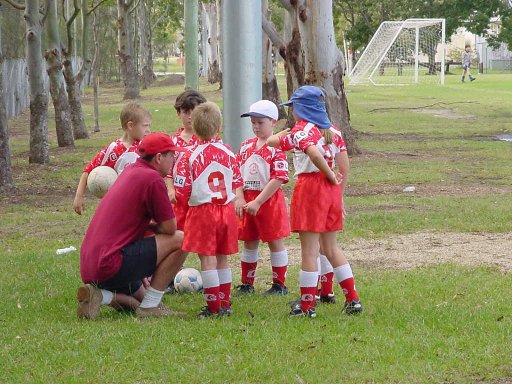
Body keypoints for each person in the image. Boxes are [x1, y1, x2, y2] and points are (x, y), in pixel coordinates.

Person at [267, 85, 362, 318]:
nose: (292, 113)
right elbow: (344, 166)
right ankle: (353, 299)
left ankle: (308, 305)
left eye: (293, 108)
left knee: (309, 251)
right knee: (330, 247)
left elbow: (274, 142)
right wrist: (339, 193)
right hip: (331, 192)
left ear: (301, 109)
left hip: (311, 188)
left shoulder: (300, 131)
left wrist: (281, 135)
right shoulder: (334, 131)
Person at [77, 133, 187, 319]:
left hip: (91, 266)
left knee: (139, 302)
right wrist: (153, 227)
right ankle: (151, 307)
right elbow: (170, 229)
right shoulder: (152, 179)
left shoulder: (130, 171)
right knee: (183, 240)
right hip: (111, 263)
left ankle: (101, 296)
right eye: (171, 156)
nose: (173, 161)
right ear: (159, 158)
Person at [174, 102, 243, 318]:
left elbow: (183, 189)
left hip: (203, 211)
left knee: (207, 259)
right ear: (218, 128)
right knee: (222, 257)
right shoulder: (229, 152)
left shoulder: (189, 155)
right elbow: (237, 180)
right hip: (226, 210)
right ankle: (225, 303)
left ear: (193, 128)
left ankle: (214, 308)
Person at [236, 100, 290, 296]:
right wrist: (240, 197)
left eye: (261, 122)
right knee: (249, 241)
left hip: (268, 200)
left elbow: (279, 177)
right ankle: (246, 283)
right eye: (253, 123)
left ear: (273, 122)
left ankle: (279, 284)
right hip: (247, 199)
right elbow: (237, 175)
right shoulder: (245, 146)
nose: (256, 127)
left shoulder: (277, 147)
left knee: (275, 241)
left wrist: (259, 201)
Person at [73, 102, 151, 215]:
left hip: (144, 202)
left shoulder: (147, 145)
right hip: (120, 206)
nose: (149, 130)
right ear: (130, 125)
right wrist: (79, 197)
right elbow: (88, 171)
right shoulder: (114, 149)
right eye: (145, 126)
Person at [166, 90, 207, 231]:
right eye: (186, 112)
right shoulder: (172, 142)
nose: (190, 117)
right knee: (178, 238)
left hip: (201, 198)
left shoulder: (206, 140)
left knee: (201, 239)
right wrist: (170, 189)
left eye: (194, 112)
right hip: (179, 198)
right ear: (178, 114)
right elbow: (168, 171)